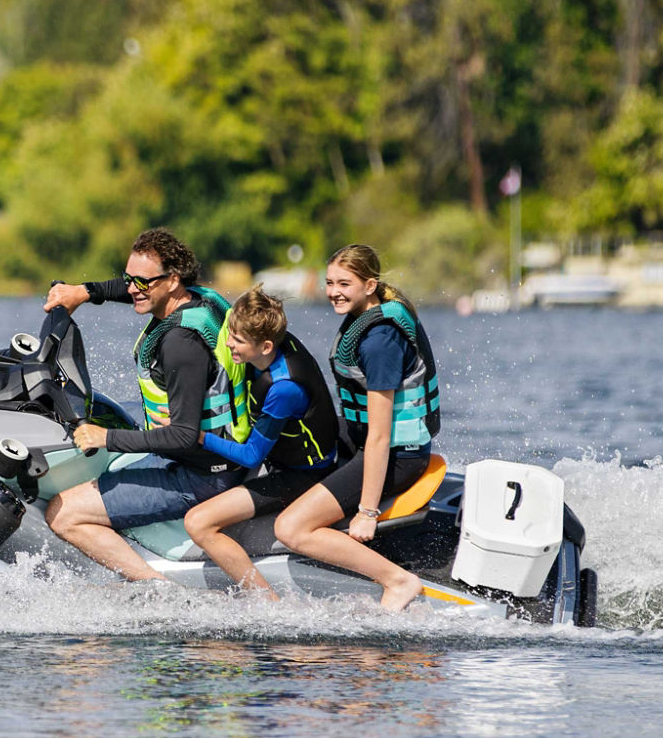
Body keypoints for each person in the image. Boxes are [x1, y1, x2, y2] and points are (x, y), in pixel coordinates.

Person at [41, 228, 248, 581]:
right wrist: (84, 292)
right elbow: (133, 290)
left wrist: (104, 438)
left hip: (201, 474)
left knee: (62, 512)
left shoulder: (181, 343)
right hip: (218, 454)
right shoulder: (202, 299)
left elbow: (183, 436)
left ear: (173, 280)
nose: (133, 288)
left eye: (143, 281)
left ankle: (155, 587)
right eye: (129, 278)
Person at [273, 244, 442, 611]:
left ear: (369, 285)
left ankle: (397, 581)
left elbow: (382, 435)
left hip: (398, 455)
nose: (334, 291)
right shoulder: (364, 318)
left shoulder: (380, 342)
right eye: (330, 282)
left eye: (344, 283)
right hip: (364, 442)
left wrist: (367, 512)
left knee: (291, 529)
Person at [180, 285, 340, 600]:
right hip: (280, 457)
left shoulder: (283, 389)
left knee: (198, 523)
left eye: (237, 340)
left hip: (303, 475)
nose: (227, 343)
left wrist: (197, 435)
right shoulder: (273, 346)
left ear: (265, 346)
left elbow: (251, 455)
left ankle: (268, 602)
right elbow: (212, 299)